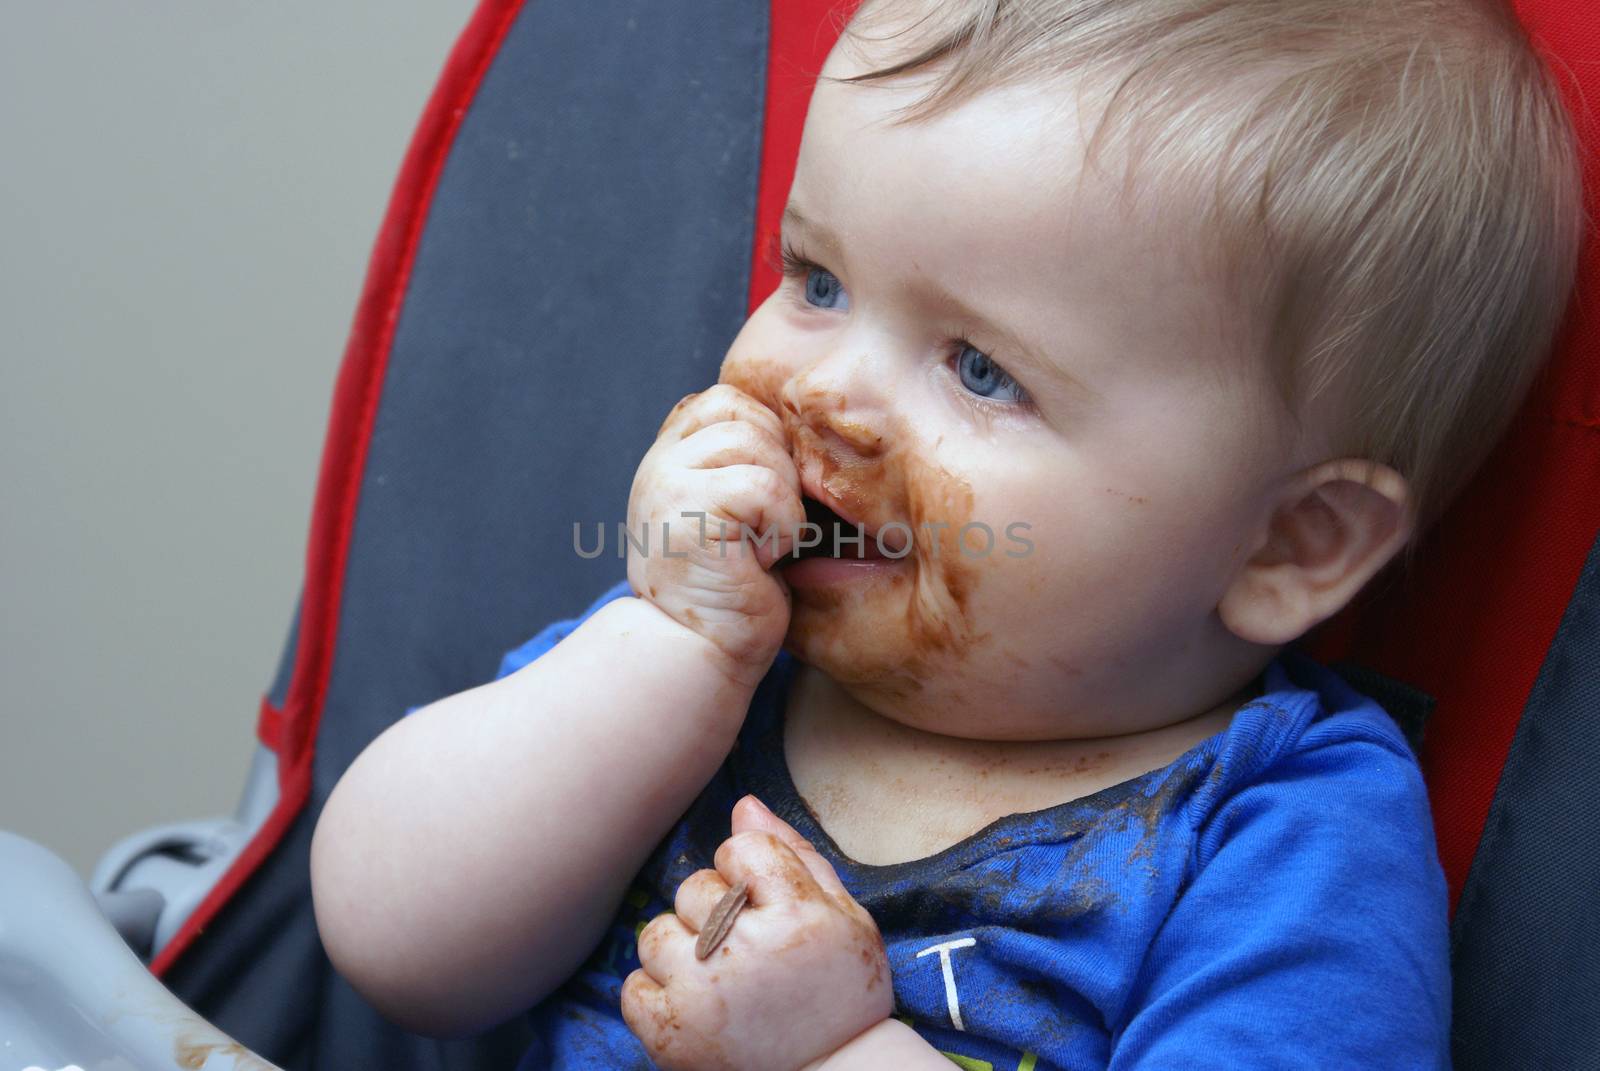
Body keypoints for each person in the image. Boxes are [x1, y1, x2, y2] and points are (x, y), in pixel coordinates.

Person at [308, 0, 1584, 1067]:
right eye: (815, 281)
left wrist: (838, 1052)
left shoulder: (1276, 832)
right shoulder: (714, 654)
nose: (822, 395)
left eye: (979, 369)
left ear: (1289, 545)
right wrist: (669, 651)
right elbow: (395, 948)